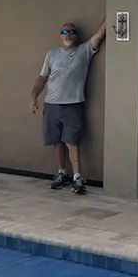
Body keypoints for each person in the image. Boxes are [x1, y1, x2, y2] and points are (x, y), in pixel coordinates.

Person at [30, 18, 106, 194]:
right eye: (65, 31)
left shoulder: (84, 51)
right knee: (57, 142)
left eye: (72, 31)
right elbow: (42, 77)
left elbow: (99, 34)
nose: (68, 34)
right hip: (52, 105)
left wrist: (113, 11)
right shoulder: (51, 54)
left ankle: (77, 177)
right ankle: (61, 173)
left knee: (72, 142)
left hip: (73, 105)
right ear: (60, 35)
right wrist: (34, 95)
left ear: (76, 36)